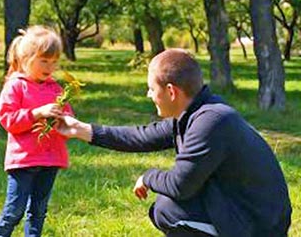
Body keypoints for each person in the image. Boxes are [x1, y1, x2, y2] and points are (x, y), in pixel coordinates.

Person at [55, 48, 292, 237]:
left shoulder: (210, 122)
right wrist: (80, 130)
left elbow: (181, 185)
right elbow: (141, 136)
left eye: (151, 89)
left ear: (171, 92)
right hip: (243, 208)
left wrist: (148, 176)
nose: (149, 95)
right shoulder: (197, 111)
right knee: (167, 207)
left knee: (168, 208)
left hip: (259, 225)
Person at [0, 25, 73, 237]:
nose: (50, 66)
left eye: (54, 61)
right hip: (24, 160)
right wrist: (37, 113)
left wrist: (63, 123)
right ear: (27, 58)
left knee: (38, 211)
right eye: (44, 60)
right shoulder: (15, 86)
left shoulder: (56, 89)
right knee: (14, 211)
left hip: (50, 159)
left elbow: (68, 121)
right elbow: (8, 119)